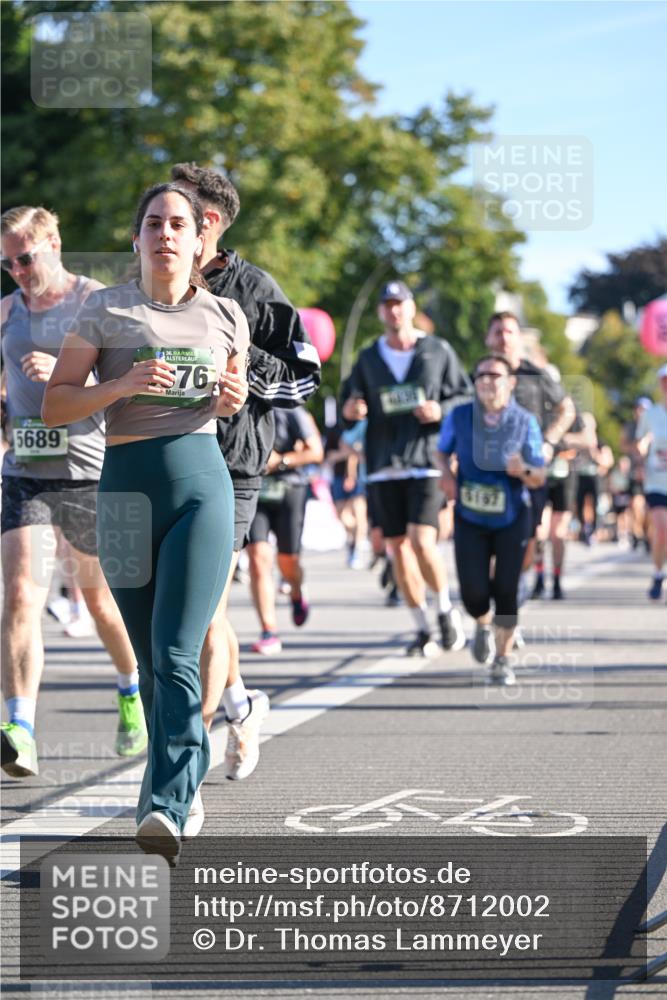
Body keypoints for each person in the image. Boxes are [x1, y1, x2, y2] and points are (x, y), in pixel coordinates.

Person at [43, 183, 249, 860]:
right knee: (155, 669)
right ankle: (178, 794)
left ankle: (165, 803)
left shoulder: (225, 316)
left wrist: (232, 397)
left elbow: (230, 399)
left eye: (178, 224)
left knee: (177, 652)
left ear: (199, 240)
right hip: (125, 492)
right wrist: (120, 386)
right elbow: (56, 408)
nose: (165, 233)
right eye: (153, 223)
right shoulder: (104, 310)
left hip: (198, 487)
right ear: (136, 240)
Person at [169, 163, 320, 781]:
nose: (165, 227)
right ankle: (242, 702)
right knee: (197, 608)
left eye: (179, 215)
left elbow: (305, 375)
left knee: (201, 608)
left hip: (231, 465)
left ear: (207, 223)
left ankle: (185, 762)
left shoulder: (254, 288)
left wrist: (238, 353)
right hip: (166, 457)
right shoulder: (156, 283)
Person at [1, 205, 146, 780]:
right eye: (7, 261)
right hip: (27, 472)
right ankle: (20, 727)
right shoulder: (7, 313)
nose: (17, 269)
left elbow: (131, 382)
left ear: (54, 243)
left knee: (99, 602)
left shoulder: (96, 303)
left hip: (88, 470)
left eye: (26, 257)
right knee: (20, 594)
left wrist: (73, 378)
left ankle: (131, 689)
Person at [341, 279, 470, 657]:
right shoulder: (368, 357)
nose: (394, 310)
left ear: (411, 308)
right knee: (397, 549)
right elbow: (349, 402)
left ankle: (445, 609)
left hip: (426, 461)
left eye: (400, 303)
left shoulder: (437, 351)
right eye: (387, 304)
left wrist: (439, 411)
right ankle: (421, 627)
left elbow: (464, 395)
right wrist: (353, 410)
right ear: (381, 312)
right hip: (382, 464)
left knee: (420, 539)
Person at [437, 355, 546, 685]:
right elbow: (440, 451)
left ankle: (503, 659)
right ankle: (482, 623)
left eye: (495, 375)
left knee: (507, 590)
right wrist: (446, 475)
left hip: (512, 517)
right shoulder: (459, 416)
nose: (486, 380)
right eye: (480, 374)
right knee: (473, 594)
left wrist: (523, 470)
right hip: (470, 516)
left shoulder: (526, 421)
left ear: (511, 381)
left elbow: (540, 475)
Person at [485, 311, 576, 602]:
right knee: (487, 540)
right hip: (488, 470)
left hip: (527, 472)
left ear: (518, 338)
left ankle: (514, 586)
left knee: (529, 539)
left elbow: (567, 410)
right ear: (488, 338)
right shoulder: (478, 373)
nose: (503, 337)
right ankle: (497, 601)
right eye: (497, 331)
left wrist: (548, 442)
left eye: (509, 331)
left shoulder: (536, 375)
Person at [247, 406, 324, 654]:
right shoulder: (241, 404)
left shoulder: (292, 409)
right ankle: (269, 631)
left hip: (289, 488)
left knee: (288, 561)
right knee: (258, 559)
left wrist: (280, 461)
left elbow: (316, 452)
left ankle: (297, 590)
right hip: (254, 490)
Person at [635, 365, 667, 601]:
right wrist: (642, 448)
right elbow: (641, 442)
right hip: (656, 481)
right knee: (661, 529)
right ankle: (658, 573)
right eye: (664, 380)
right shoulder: (650, 414)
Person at [622, 397, 652, 551]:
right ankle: (637, 533)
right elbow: (624, 445)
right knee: (635, 504)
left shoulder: (655, 426)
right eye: (638, 409)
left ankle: (646, 533)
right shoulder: (631, 427)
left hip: (652, 473)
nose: (640, 412)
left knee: (650, 508)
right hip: (635, 472)